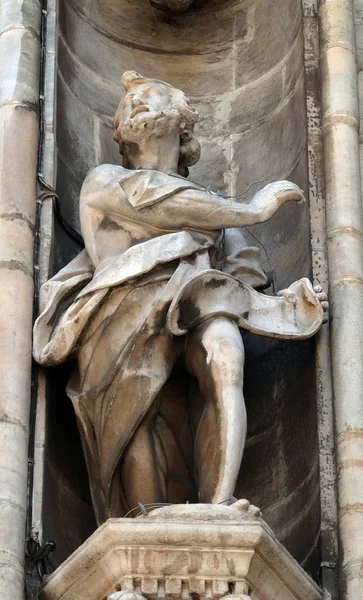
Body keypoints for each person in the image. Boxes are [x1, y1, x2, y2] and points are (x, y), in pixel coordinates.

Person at [33, 71, 327, 524]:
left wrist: (287, 306)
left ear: (181, 121)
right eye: (127, 103)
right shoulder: (105, 180)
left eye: (150, 96)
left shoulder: (214, 216)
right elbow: (157, 203)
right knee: (137, 410)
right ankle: (141, 523)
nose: (135, 104)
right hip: (119, 307)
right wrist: (250, 209)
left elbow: (239, 283)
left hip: (195, 296)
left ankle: (221, 503)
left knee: (225, 353)